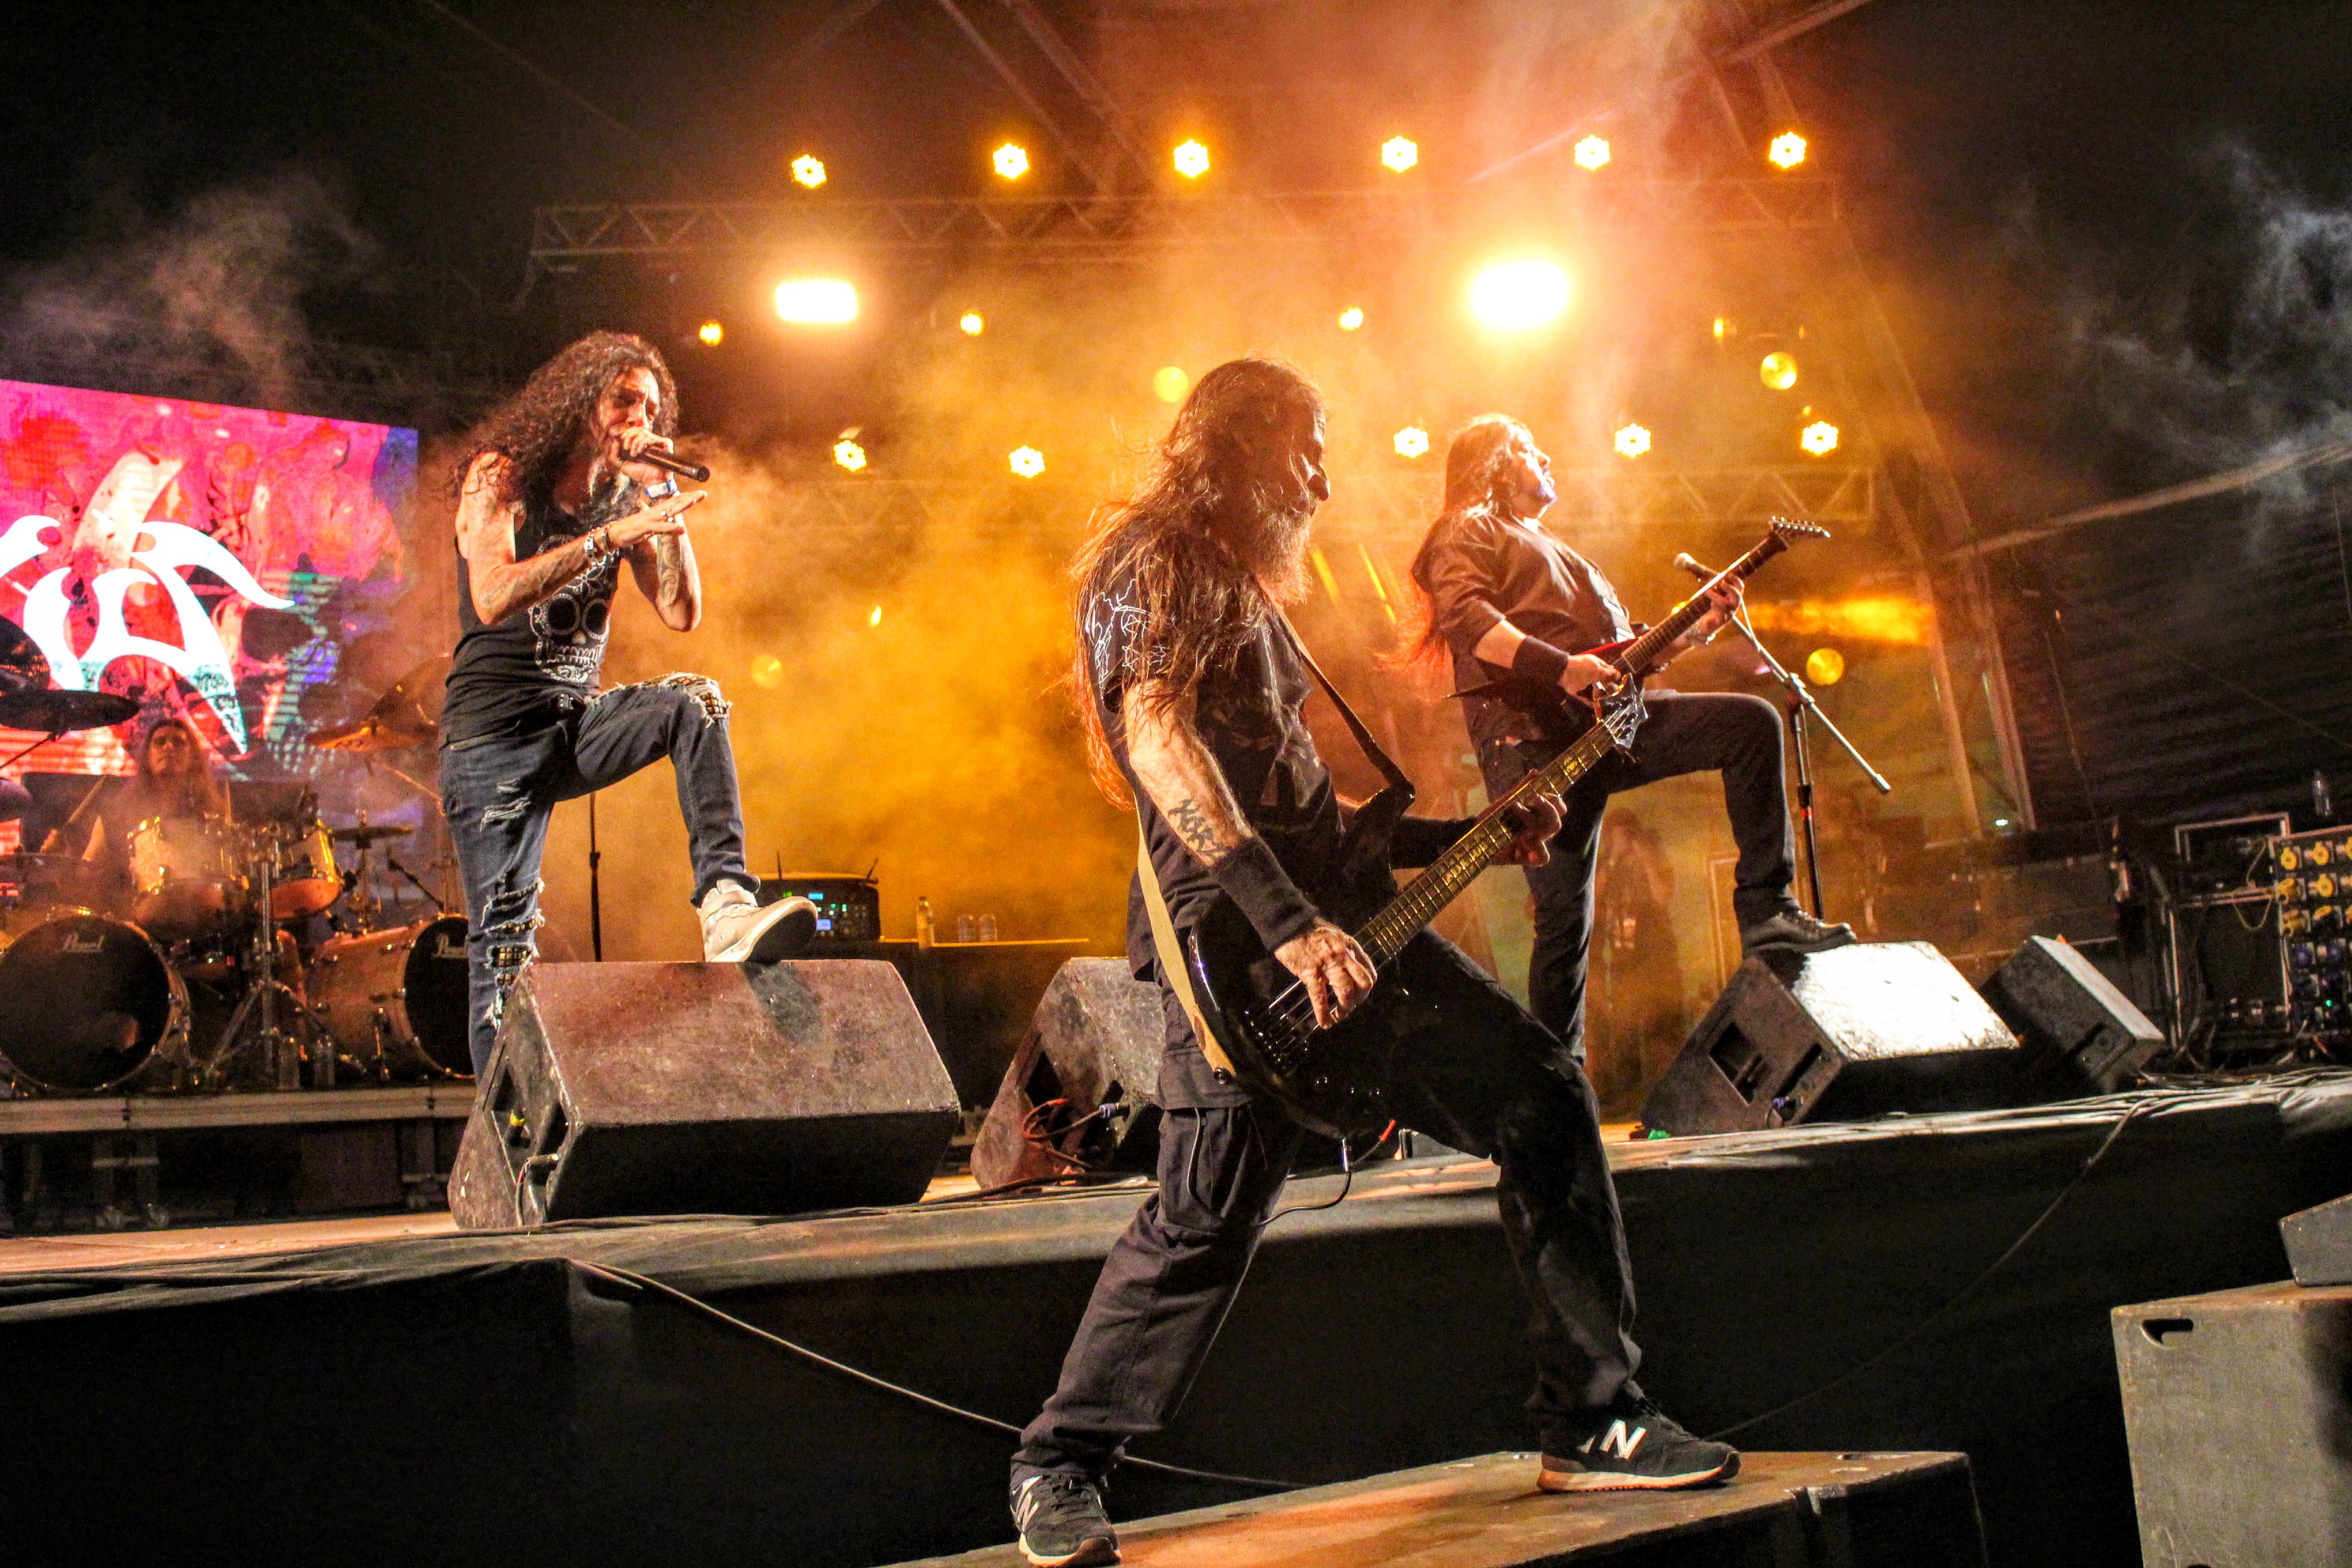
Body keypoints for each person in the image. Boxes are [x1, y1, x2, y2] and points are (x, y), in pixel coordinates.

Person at [1008, 361, 1736, 1568]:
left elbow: (1311, 813)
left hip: (1346, 929)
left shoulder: (1246, 591)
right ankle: (1057, 1464)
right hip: (1241, 952)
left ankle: (1594, 1416)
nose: (1324, 481)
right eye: (1307, 450)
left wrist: (1464, 838)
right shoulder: (1156, 560)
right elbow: (1158, 739)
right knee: (1203, 1222)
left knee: (1541, 1095)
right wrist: (1286, 922)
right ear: (1240, 445)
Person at [1407, 415, 1852, 1064]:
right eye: (1529, 450)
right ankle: (1558, 1081)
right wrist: (1562, 669)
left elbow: (1623, 660)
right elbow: (1471, 623)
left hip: (1615, 723)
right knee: (1564, 924)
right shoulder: (1466, 529)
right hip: (1537, 743)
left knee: (1750, 725)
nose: (1547, 457)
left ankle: (1767, 912)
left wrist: (1698, 626)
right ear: (1497, 464)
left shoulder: (1560, 553)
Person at [438, 331, 812, 1077]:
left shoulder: (628, 498)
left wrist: (663, 500)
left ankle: (726, 908)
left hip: (571, 725)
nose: (637, 418)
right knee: (503, 953)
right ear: (581, 404)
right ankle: (502, 1133)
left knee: (693, 702)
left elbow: (681, 612)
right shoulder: (501, 475)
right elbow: (492, 596)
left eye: (649, 405)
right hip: (490, 746)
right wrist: (610, 537)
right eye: (623, 401)